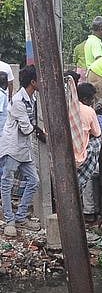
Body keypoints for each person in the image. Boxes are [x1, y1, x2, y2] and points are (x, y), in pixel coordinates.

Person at [0, 67, 43, 229]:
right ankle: (9, 219)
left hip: (24, 148)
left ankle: (20, 216)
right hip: (12, 147)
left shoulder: (32, 98)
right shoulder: (18, 101)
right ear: (33, 82)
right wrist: (41, 132)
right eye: (39, 80)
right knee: (7, 183)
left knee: (34, 181)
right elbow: (26, 128)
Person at [73, 82, 102, 220]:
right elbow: (97, 133)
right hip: (79, 155)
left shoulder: (67, 107)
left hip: (66, 151)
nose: (93, 102)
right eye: (92, 99)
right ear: (85, 99)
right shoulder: (88, 111)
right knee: (101, 141)